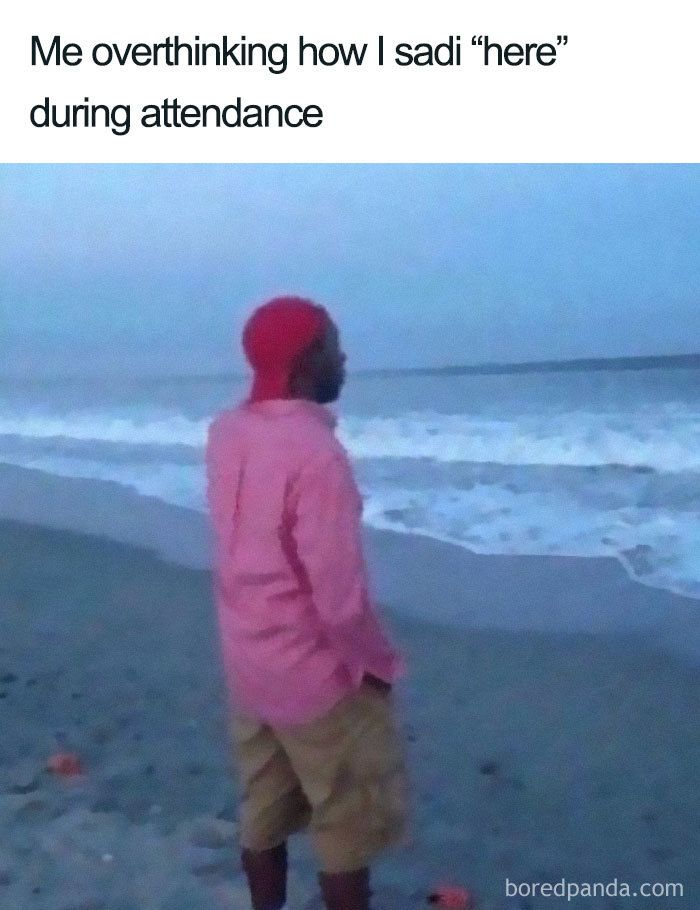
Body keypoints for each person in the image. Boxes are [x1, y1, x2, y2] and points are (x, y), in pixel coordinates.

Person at [205, 296, 410, 910]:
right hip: (315, 678)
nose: (343, 358)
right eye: (332, 345)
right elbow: (339, 597)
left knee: (262, 811)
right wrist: (375, 667)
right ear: (304, 359)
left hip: (249, 664)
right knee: (345, 827)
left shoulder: (227, 432)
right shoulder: (317, 455)